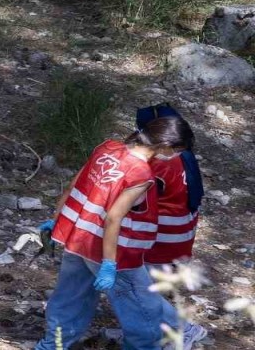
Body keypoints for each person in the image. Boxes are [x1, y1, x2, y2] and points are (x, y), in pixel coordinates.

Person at [33, 117, 194, 350]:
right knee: (144, 313)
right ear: (166, 146)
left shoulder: (107, 148)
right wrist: (109, 264)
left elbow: (74, 185)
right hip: (114, 252)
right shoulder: (140, 174)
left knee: (71, 298)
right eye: (178, 151)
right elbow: (113, 217)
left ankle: (52, 345)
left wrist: (57, 220)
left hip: (77, 239)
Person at [136, 104, 207, 348]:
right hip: (181, 230)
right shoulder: (184, 155)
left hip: (160, 235)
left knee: (141, 286)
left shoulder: (159, 162)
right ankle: (148, 328)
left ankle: (181, 330)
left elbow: (139, 201)